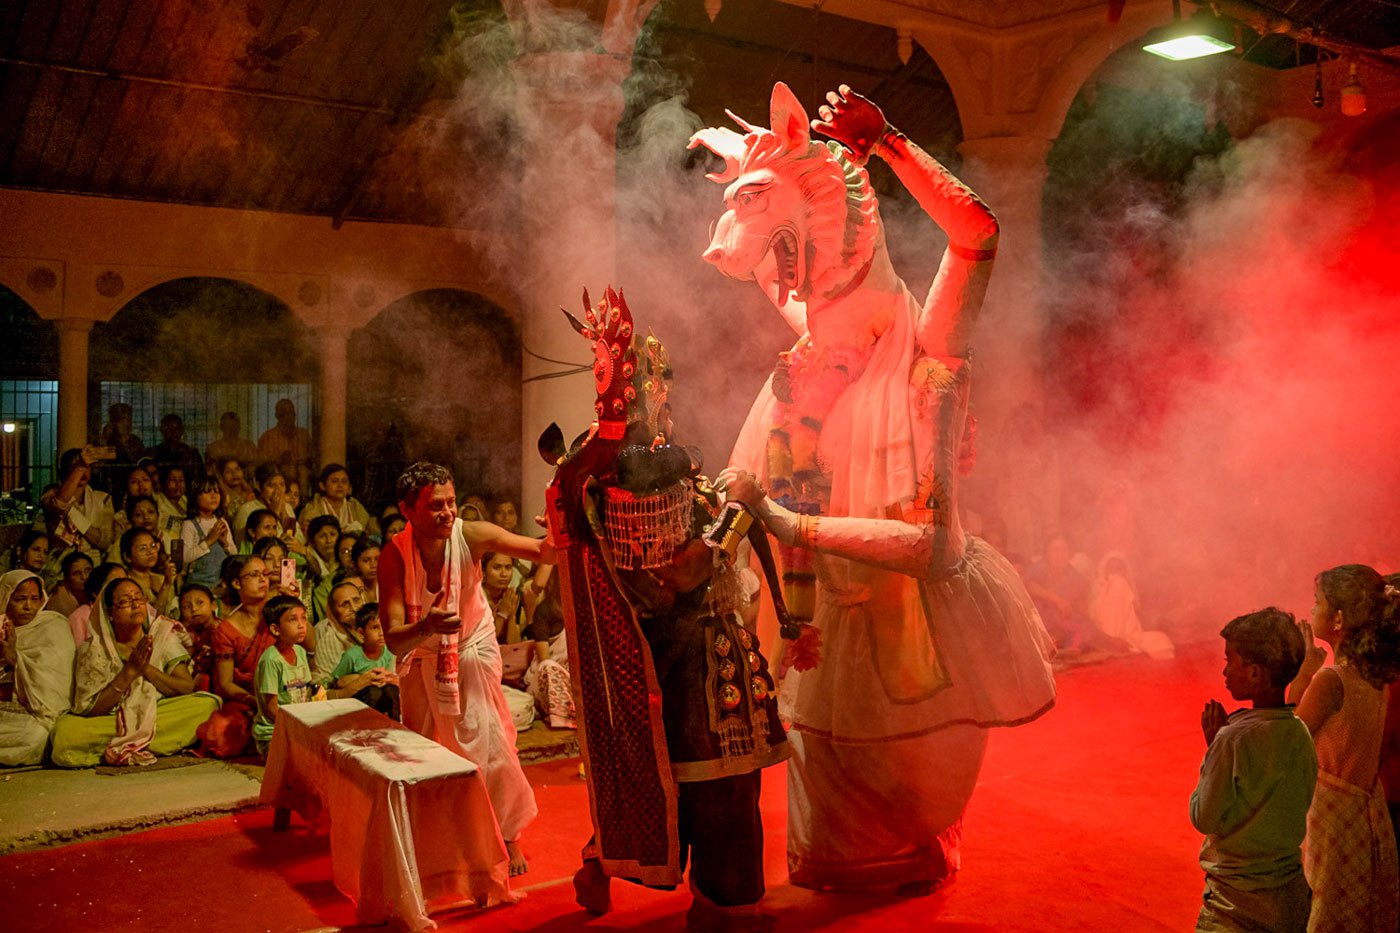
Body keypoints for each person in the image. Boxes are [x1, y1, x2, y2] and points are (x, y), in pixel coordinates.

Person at [380, 461, 550, 877]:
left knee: (489, 744)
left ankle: (508, 837)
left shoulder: (472, 535)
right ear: (407, 510)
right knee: (424, 751)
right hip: (421, 655)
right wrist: (427, 628)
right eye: (435, 505)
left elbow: (543, 553)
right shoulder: (394, 556)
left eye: (451, 502)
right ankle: (440, 833)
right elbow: (393, 639)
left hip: (471, 648)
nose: (447, 512)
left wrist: (560, 523)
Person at [1289, 564, 1400, 931]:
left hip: (1332, 821)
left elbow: (1288, 741)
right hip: (1365, 812)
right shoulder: (1375, 675)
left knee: (1326, 912)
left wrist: (1304, 672)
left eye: (1316, 602)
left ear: (1337, 618)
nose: (1311, 610)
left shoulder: (1331, 680)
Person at [1191, 607, 1316, 932]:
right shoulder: (1300, 731)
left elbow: (1204, 816)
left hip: (1234, 904)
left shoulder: (1233, 738)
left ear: (1256, 673)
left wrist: (1214, 748)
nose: (1224, 672)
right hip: (1288, 895)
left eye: (1230, 661)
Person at [52, 578, 219, 767]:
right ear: (110, 613)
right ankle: (148, 741)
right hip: (111, 719)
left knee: (207, 704)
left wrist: (145, 667)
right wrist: (130, 670)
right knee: (65, 732)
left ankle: (129, 742)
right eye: (125, 601)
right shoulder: (93, 649)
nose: (135, 605)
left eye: (139, 598)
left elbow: (187, 687)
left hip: (158, 710)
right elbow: (90, 708)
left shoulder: (162, 635)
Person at [0, 570, 75, 766]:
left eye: (35, 598)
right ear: (5, 598)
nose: (28, 606)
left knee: (36, 737)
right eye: (20, 599)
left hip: (34, 715)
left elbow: (53, 689)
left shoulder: (53, 626)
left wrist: (13, 655)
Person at [251, 595, 315, 756]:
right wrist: (296, 726)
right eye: (293, 619)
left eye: (303, 618)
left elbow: (306, 691)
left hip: (297, 725)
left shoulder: (300, 652)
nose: (301, 625)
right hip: (273, 732)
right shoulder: (271, 660)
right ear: (276, 629)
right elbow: (271, 708)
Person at [211, 555, 276, 711]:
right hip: (247, 700)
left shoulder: (278, 611)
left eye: (265, 574)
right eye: (254, 574)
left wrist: (293, 605)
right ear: (236, 583)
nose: (262, 579)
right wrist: (257, 703)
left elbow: (310, 644)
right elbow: (226, 684)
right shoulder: (225, 631)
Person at [1090, 551, 1174, 659]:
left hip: (1127, 632)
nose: (1114, 573)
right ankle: (1114, 641)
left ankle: (1118, 641)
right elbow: (1094, 615)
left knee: (1161, 638)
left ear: (1124, 572)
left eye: (1118, 569)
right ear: (1105, 571)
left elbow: (1130, 615)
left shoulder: (1124, 585)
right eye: (1111, 568)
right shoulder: (1099, 588)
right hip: (1105, 633)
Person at [42, 447, 116, 561]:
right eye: (74, 466)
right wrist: (79, 467)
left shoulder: (103, 499)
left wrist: (75, 516)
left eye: (87, 466)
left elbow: (105, 541)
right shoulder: (51, 495)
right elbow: (59, 504)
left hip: (92, 561)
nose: (83, 471)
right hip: (61, 561)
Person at [329, 602, 400, 720]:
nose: (381, 633)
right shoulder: (352, 655)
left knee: (392, 690)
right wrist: (358, 678)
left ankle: (395, 726)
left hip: (382, 695)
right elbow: (337, 681)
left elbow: (390, 676)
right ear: (361, 632)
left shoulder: (389, 651)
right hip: (360, 700)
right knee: (373, 692)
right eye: (375, 627)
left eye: (384, 626)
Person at [180, 475, 235, 589]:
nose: (214, 496)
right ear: (196, 496)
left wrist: (225, 543)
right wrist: (209, 540)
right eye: (207, 491)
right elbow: (185, 558)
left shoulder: (221, 522)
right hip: (198, 586)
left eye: (216, 492)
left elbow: (234, 554)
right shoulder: (189, 525)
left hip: (220, 585)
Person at [299, 463, 371, 537]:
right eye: (334, 481)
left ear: (349, 486)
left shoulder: (356, 507)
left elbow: (370, 533)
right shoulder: (311, 508)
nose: (340, 485)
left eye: (344, 481)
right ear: (322, 486)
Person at [312, 579, 363, 682]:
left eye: (356, 600)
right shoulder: (326, 631)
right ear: (333, 610)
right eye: (345, 604)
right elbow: (327, 679)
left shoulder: (374, 624)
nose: (353, 608)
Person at [257, 399, 314, 491]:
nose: (288, 417)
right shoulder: (267, 437)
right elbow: (262, 465)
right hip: (277, 477)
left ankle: (303, 499)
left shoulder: (304, 434)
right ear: (277, 416)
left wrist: (306, 461)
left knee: (303, 471)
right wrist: (279, 460)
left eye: (291, 413)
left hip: (302, 477)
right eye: (284, 414)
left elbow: (312, 456)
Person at [118, 527, 177, 617]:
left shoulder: (161, 578)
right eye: (143, 549)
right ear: (127, 557)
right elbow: (151, 618)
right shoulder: (125, 584)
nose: (150, 551)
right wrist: (166, 584)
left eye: (153, 546)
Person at [233, 463, 296, 546]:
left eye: (282, 485)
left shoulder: (287, 507)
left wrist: (283, 512)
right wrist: (274, 514)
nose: (278, 491)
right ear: (259, 486)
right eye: (272, 485)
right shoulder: (246, 510)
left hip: (285, 558)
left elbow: (293, 539)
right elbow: (245, 546)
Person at [68, 562, 129, 646]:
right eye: (116, 584)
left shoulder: (137, 606)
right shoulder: (80, 617)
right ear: (96, 592)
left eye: (126, 581)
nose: (125, 587)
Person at [177, 583, 220, 693]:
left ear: (213, 605)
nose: (194, 609)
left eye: (199, 603)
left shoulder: (223, 630)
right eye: (187, 606)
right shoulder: (183, 634)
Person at [107, 494, 168, 563]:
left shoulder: (167, 539)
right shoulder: (122, 544)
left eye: (150, 512)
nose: (146, 517)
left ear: (158, 515)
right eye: (138, 514)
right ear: (130, 519)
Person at [146, 413, 203, 486]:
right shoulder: (153, 453)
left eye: (176, 429)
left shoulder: (192, 454)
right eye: (168, 429)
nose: (173, 433)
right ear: (162, 430)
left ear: (181, 431)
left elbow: (199, 478)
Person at [45, 550, 93, 619]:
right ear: (66, 579)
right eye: (76, 573)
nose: (84, 577)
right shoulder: (59, 604)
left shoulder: (94, 591)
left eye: (88, 570)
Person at [154, 465, 187, 540]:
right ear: (164, 482)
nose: (178, 484)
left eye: (181, 480)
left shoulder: (185, 500)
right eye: (173, 480)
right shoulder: (157, 500)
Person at [347, 538, 380, 602]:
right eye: (366, 561)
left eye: (377, 559)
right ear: (354, 564)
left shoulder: (391, 586)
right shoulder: (349, 589)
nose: (373, 565)